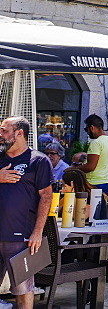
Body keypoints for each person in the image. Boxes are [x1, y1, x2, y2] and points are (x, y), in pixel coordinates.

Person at [0, 117, 53, 309]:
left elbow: (46, 197)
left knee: (23, 291)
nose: (0, 135)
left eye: (4, 131)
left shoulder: (38, 161)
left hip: (20, 237)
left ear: (19, 133)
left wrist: (38, 232)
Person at [76, 114, 108, 196]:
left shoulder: (96, 143)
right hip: (105, 182)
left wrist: (74, 169)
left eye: (86, 129)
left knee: (88, 208)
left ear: (92, 128)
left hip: (93, 184)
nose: (87, 132)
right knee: (100, 208)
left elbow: (91, 166)